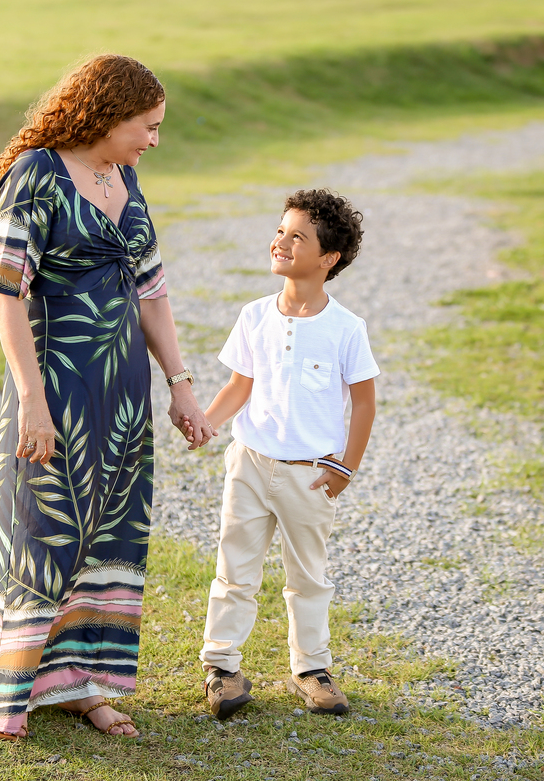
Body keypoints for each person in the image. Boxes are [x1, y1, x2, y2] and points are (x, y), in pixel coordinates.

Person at [0, 54, 217, 741]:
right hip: (55, 382)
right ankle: (14, 692)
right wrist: (31, 400)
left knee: (111, 532)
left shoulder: (126, 178)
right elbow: (6, 295)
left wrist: (180, 387)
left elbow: (152, 290)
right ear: (107, 115)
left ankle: (85, 686)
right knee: (43, 529)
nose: (153, 140)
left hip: (122, 389)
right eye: (148, 125)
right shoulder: (36, 177)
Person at [190, 189, 378, 719]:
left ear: (328, 258)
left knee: (309, 577)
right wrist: (207, 420)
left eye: (298, 236)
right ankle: (222, 667)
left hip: (311, 476)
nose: (281, 241)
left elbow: (363, 403)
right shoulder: (253, 316)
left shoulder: (346, 329)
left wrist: (345, 466)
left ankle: (311, 668)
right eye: (280, 230)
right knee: (234, 570)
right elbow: (239, 385)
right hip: (249, 464)